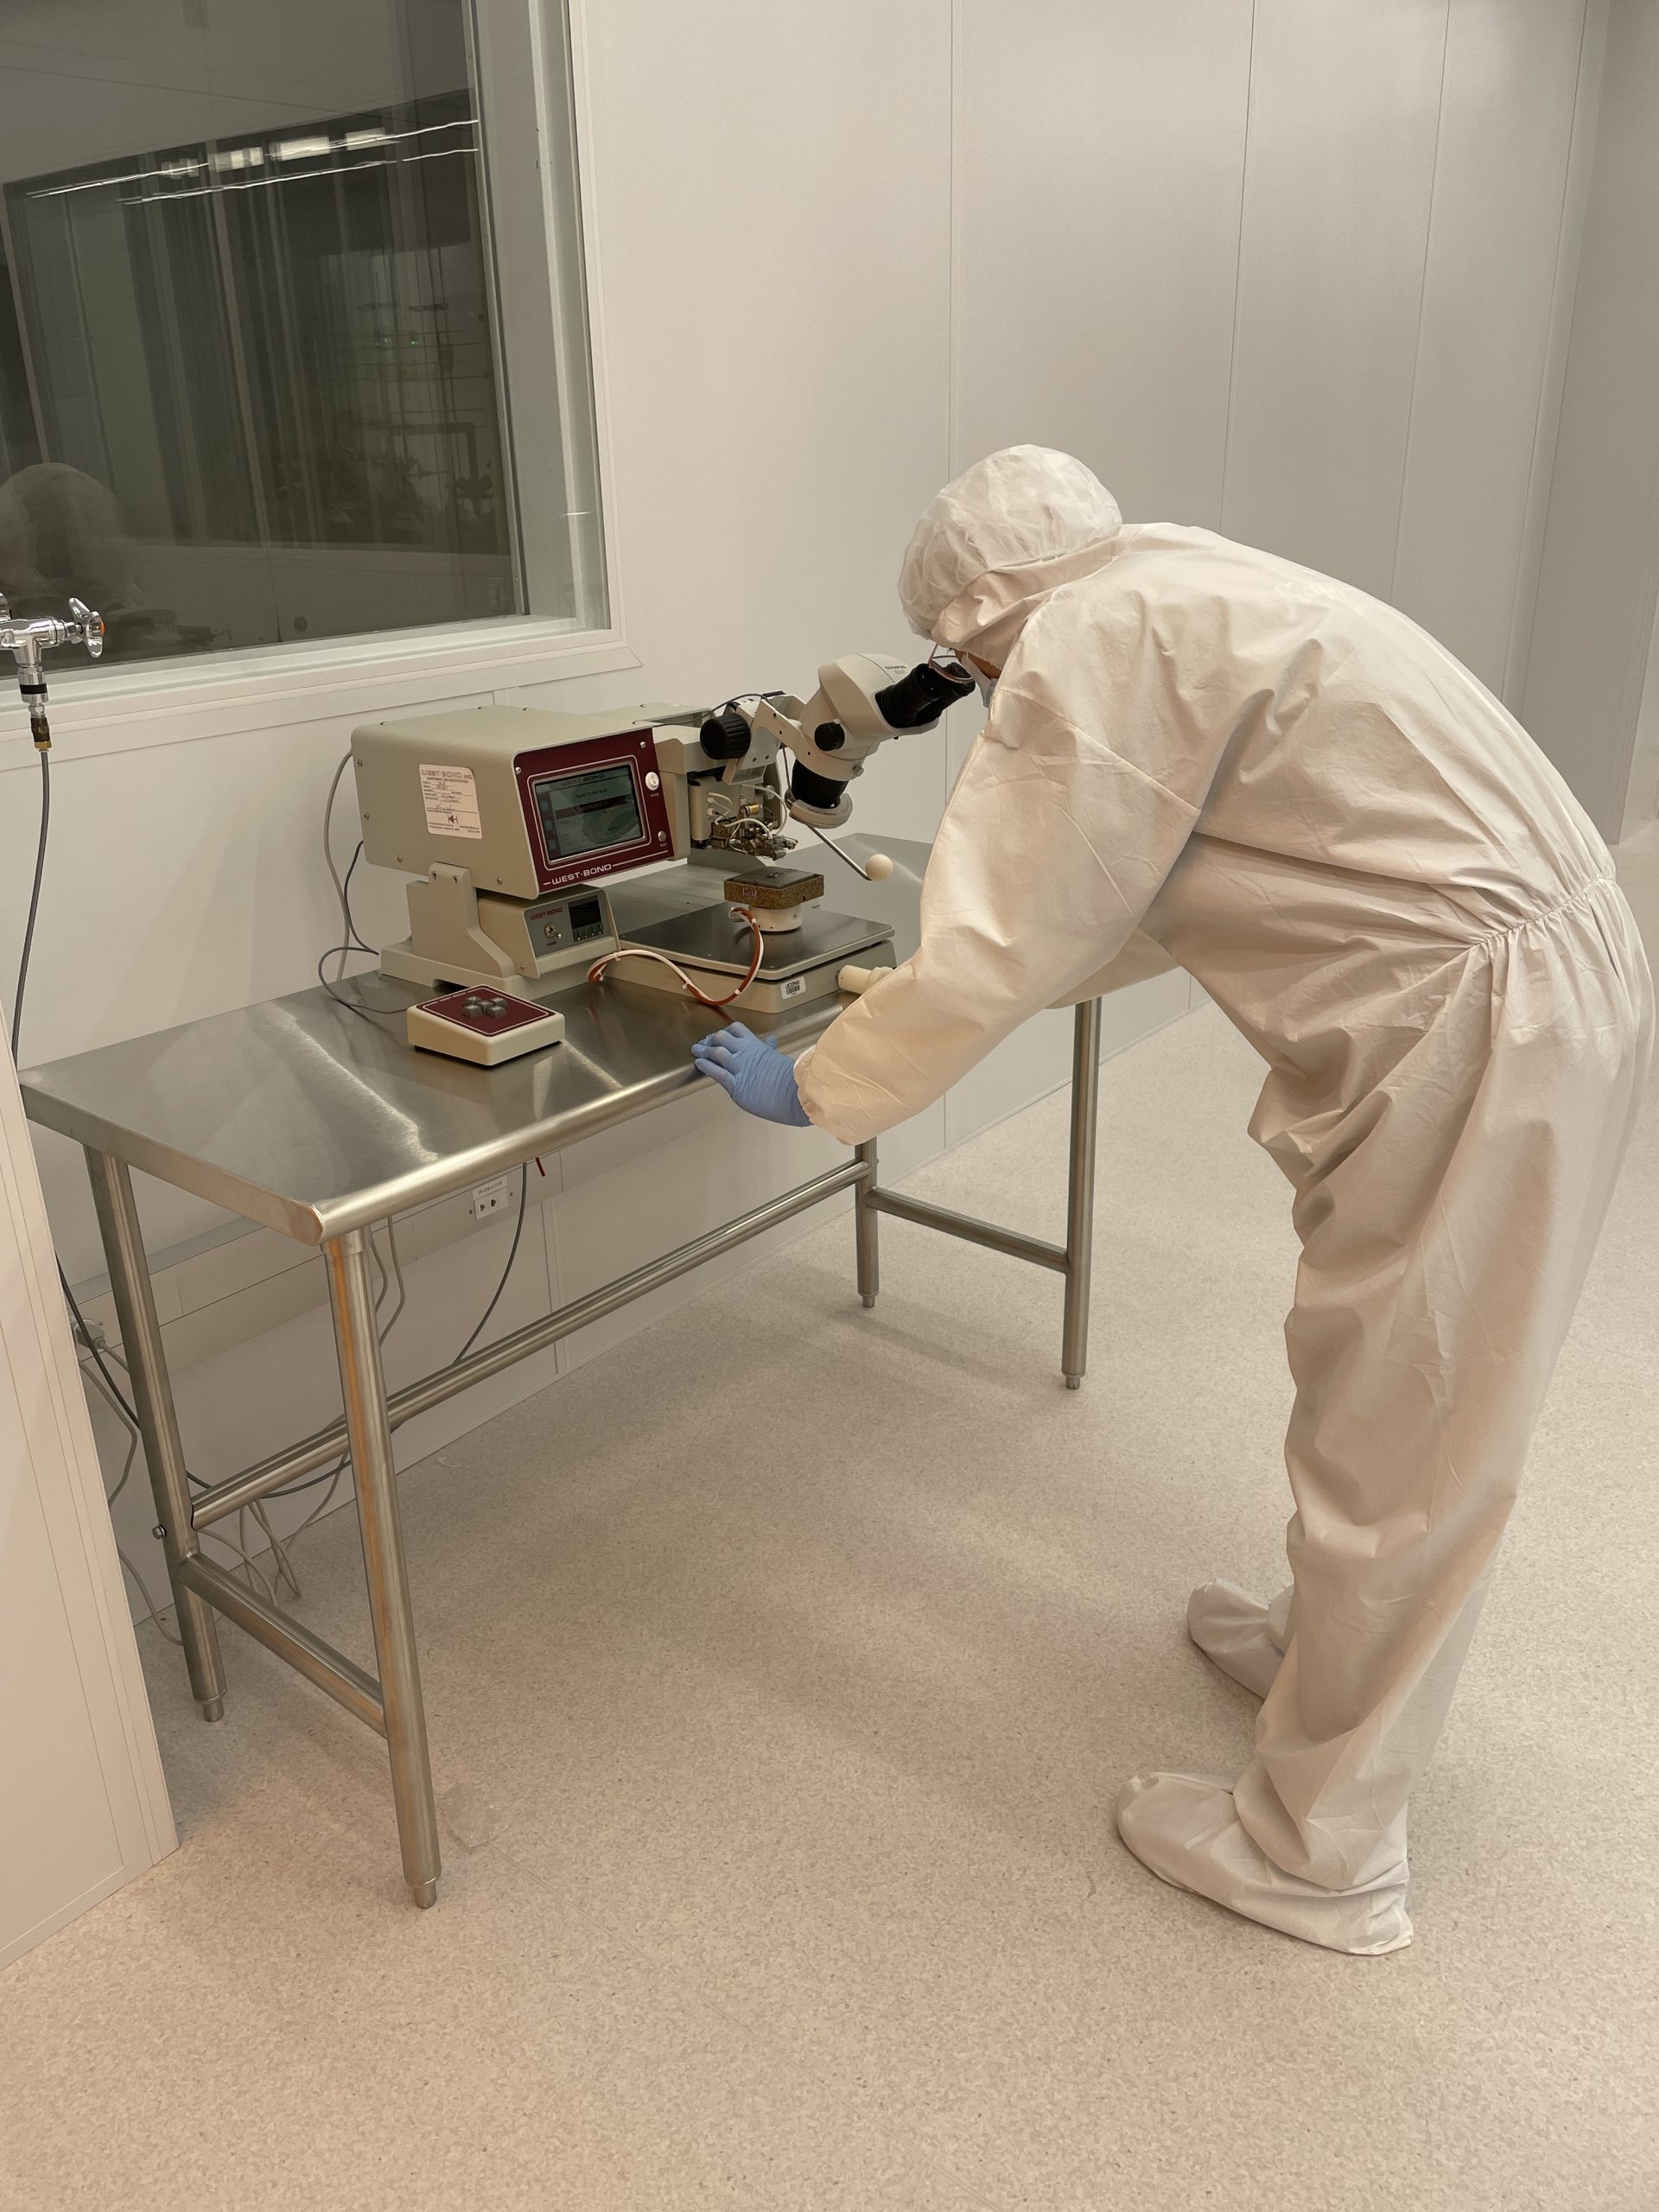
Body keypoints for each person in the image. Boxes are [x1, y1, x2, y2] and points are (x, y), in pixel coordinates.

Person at [691, 445, 1652, 1955]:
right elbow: (1144, 886)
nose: (967, 687)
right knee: (1374, 1378)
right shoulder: (1181, 581)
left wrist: (826, 1082)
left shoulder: (1089, 648)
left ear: (977, 619)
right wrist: (912, 1006)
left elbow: (1017, 928)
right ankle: (1311, 1653)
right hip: (1524, 973)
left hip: (1479, 1023)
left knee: (1415, 1427)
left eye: (963, 662)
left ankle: (1319, 1856)